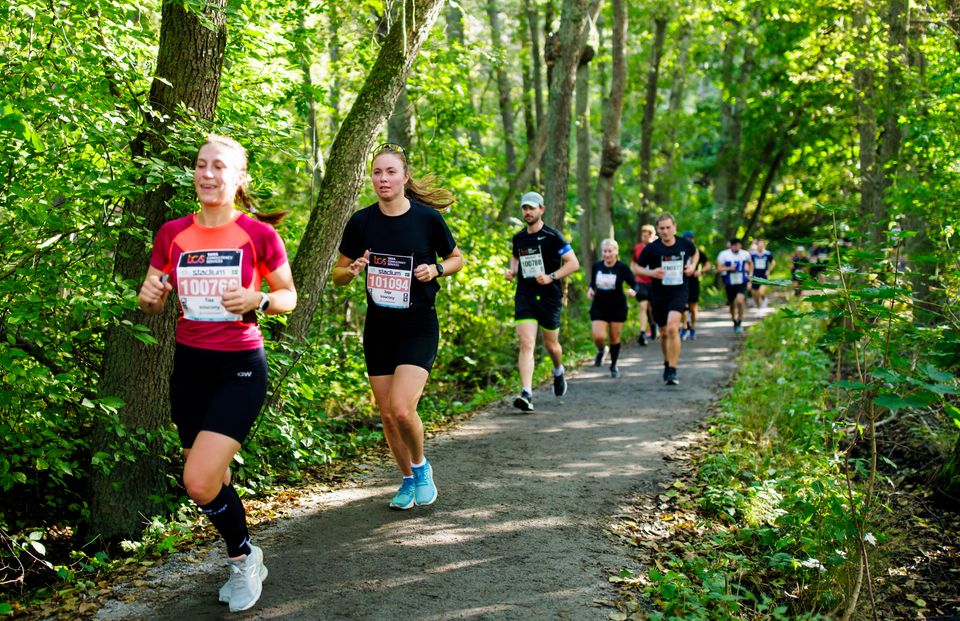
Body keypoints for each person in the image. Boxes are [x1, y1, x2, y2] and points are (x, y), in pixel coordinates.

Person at [137, 134, 297, 612]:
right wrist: (150, 298)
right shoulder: (172, 234)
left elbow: (288, 296)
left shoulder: (259, 235)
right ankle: (245, 553)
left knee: (199, 481)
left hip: (240, 368)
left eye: (219, 167)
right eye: (201, 165)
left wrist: (260, 300)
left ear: (238, 178)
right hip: (189, 367)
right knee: (214, 475)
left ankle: (244, 557)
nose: (208, 174)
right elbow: (154, 293)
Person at [333, 143, 464, 511]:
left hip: (418, 325)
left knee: (403, 409)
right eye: (377, 172)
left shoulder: (426, 219)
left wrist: (436, 269)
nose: (383, 179)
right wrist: (352, 270)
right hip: (379, 328)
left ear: (405, 177)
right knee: (387, 414)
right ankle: (406, 479)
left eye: (390, 172)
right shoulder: (362, 221)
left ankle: (421, 468)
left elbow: (456, 258)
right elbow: (338, 275)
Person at [505, 191, 580, 411]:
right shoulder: (519, 238)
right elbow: (516, 258)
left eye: (531, 208)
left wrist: (551, 277)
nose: (527, 212)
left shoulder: (553, 236)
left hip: (549, 296)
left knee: (551, 345)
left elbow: (573, 263)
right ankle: (527, 392)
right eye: (524, 208)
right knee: (526, 342)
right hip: (526, 295)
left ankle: (558, 371)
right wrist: (512, 271)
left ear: (541, 210)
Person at [634, 213, 699, 385]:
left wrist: (692, 266)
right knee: (663, 333)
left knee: (672, 328)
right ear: (657, 230)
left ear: (674, 227)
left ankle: (672, 369)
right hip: (659, 294)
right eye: (661, 228)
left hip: (679, 291)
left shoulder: (685, 244)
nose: (665, 231)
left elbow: (696, 253)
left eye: (668, 227)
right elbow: (636, 267)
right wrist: (651, 273)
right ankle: (666, 361)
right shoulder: (652, 248)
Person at [587, 239, 637, 378]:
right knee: (599, 336)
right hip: (599, 306)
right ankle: (602, 349)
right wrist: (591, 289)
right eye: (605, 251)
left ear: (616, 252)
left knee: (615, 337)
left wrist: (633, 291)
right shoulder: (597, 266)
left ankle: (613, 364)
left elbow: (635, 284)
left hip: (617, 307)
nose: (607, 254)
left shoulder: (622, 268)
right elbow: (593, 283)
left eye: (610, 251)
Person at [716, 237, 753, 333]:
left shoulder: (745, 254)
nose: (737, 247)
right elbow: (719, 268)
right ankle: (734, 320)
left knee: (740, 301)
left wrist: (750, 276)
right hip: (729, 282)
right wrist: (729, 268)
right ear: (731, 246)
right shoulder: (724, 255)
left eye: (739, 245)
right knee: (732, 303)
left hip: (742, 281)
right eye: (735, 245)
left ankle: (740, 320)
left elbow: (751, 263)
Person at [629, 224, 657, 345]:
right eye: (642, 235)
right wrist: (633, 275)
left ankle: (653, 324)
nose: (644, 237)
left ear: (652, 235)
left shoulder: (657, 247)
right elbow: (633, 263)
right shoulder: (638, 248)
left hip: (655, 282)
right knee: (643, 306)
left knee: (652, 308)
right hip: (640, 281)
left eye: (646, 235)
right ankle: (642, 333)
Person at [749, 238, 775, 308]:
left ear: (764, 246)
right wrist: (750, 275)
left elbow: (773, 263)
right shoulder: (753, 254)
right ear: (757, 246)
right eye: (759, 245)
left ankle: (764, 300)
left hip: (764, 276)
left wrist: (769, 270)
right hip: (755, 276)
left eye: (762, 245)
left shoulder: (768, 254)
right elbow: (751, 265)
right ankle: (758, 308)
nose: (760, 247)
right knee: (755, 294)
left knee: (761, 292)